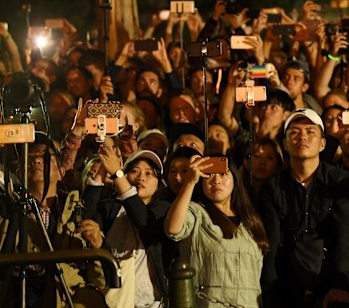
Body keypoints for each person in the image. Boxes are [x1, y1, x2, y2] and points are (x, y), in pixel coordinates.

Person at [259, 108, 349, 308]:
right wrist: (269, 294)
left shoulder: (340, 182)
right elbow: (272, 243)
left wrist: (340, 285)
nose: (302, 137)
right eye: (294, 132)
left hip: (330, 285)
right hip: (286, 289)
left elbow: (344, 236)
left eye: (310, 132)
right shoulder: (273, 188)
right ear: (285, 144)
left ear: (322, 144)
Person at [0, 132, 106, 307]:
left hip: (65, 298)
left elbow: (100, 280)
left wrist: (98, 245)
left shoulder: (77, 212)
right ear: (19, 173)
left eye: (44, 156)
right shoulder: (7, 211)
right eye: (29, 158)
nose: (36, 161)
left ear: (61, 172)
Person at [164, 156, 269, 307]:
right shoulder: (197, 212)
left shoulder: (251, 220)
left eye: (223, 174)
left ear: (235, 179)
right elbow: (173, 229)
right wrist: (190, 182)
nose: (216, 180)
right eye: (209, 175)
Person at [83, 148, 173, 307]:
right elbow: (87, 213)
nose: (140, 178)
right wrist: (104, 169)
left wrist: (117, 173)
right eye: (134, 171)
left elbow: (142, 219)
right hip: (113, 300)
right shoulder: (112, 209)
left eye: (149, 174)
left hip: (151, 303)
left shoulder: (163, 210)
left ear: (159, 184)